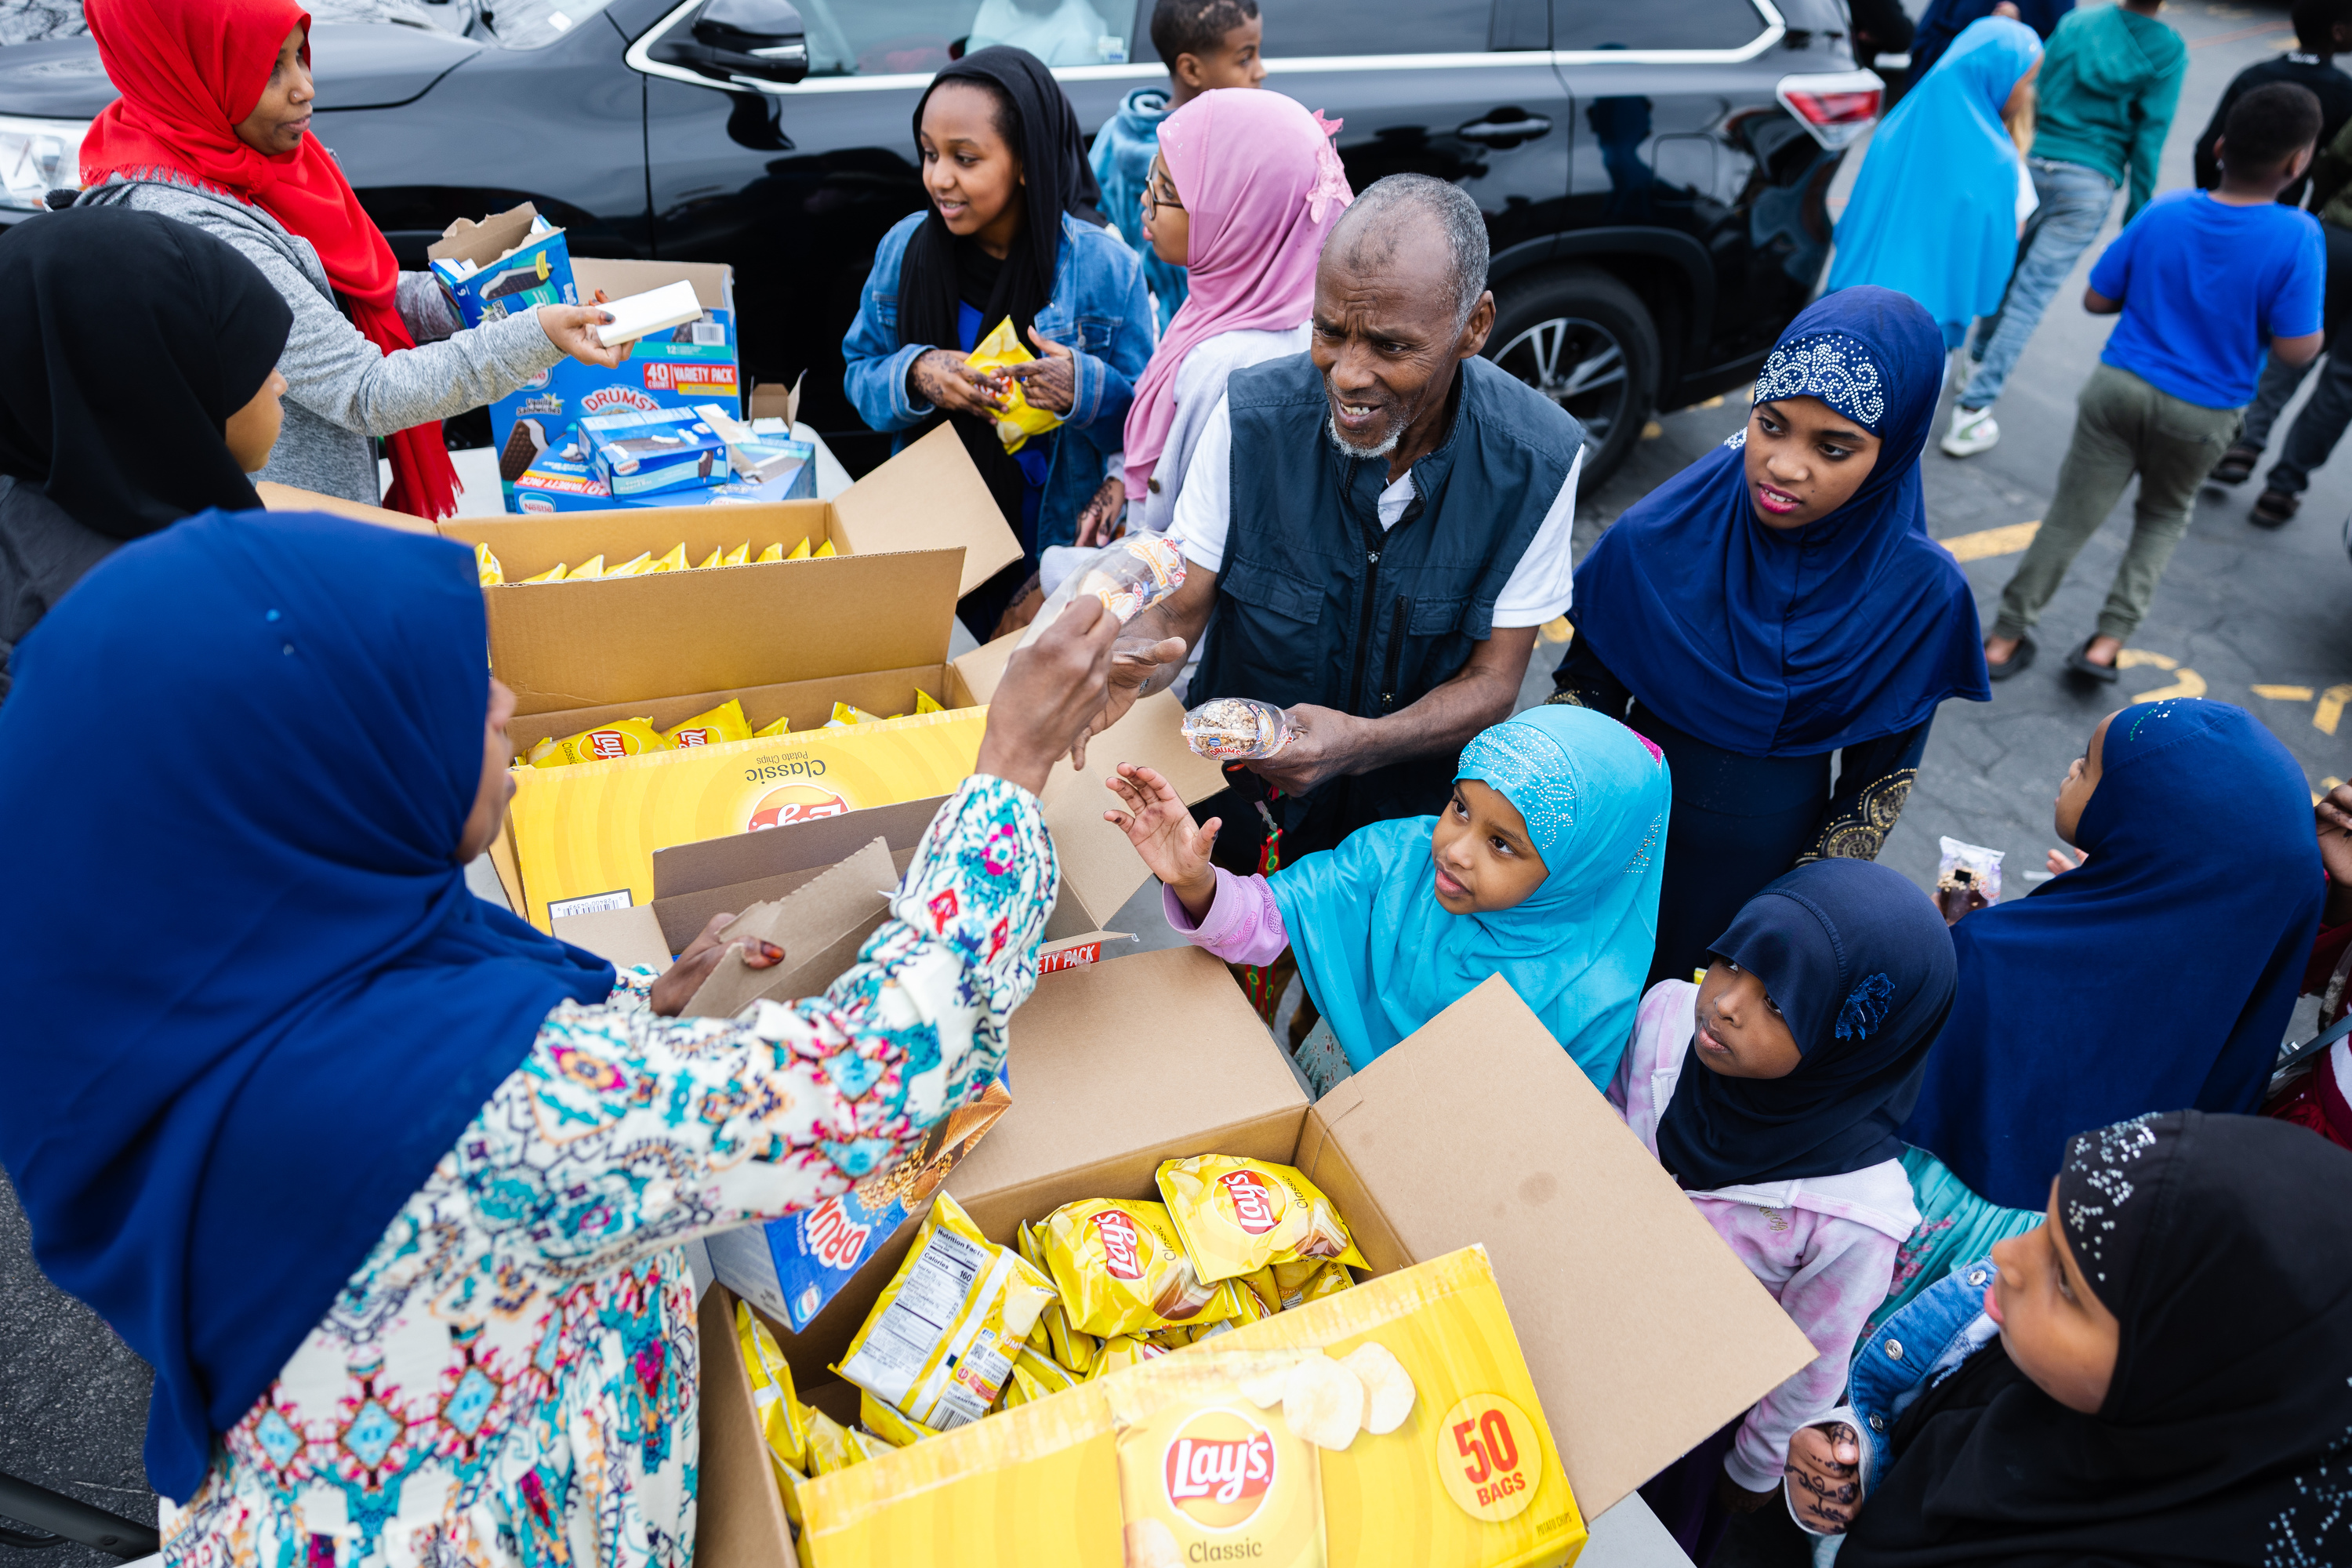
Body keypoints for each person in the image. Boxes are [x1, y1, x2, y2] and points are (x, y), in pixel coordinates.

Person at [0, 503, 1120, 1555]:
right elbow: (882, 1075)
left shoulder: (245, 983)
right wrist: (1008, 773)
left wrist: (642, 1013)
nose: (506, 699)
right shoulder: (474, 1103)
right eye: (446, 683)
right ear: (323, 768)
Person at [1088, 173, 1585, 910]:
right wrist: (1124, 660)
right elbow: (1180, 608)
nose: (1349, 374)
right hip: (1240, 811)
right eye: (1329, 332)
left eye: (1391, 345)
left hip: (1411, 835)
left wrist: (1360, 742)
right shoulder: (1253, 418)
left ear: (1475, 326)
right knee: (1225, 975)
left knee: (1354, 1008)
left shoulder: (1537, 459)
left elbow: (1494, 682)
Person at [1555, 287, 1988, 987]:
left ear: (1895, 450)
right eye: (1772, 425)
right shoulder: (1659, 535)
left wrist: (1791, 927)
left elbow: (1875, 784)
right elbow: (1584, 695)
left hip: (1764, 885)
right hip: (1611, 847)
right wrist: (1555, 834)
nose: (1785, 466)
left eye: (1835, 446)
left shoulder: (1922, 595)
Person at [72, 0, 630, 519]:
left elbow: (367, 297)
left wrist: (480, 291)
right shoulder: (193, 225)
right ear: (189, 73)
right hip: (279, 539)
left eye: (300, 56)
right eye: (271, 70)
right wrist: (539, 333)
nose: (305, 88)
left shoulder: (260, 160)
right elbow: (367, 391)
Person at [1784, 1111, 2352, 1567]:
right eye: (2045, 1226)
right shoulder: (2002, 1357)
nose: (2006, 1256)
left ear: (2187, 1377)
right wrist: (1853, 1468)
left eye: (2069, 1284)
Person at [1614, 858, 1955, 1563]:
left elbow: (1812, 1360)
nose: (1729, 1003)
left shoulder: (1855, 1213)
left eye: (1779, 1004)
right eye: (1735, 962)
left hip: (1681, 1423)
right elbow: (1605, 1133)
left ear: (1850, 1041)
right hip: (1573, 1319)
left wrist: (1754, 1468)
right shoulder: (1668, 1016)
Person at [1899, 699, 2323, 1219]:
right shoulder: (2235, 999)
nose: (2071, 771)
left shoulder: (1986, 952)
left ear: (2140, 820)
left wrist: (1942, 944)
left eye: (2088, 766)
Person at [1107, 704, 1668, 1094]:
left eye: (1501, 844)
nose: (1454, 851)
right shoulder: (1399, 856)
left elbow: (1547, 1135)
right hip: (1327, 1085)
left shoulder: (1595, 997)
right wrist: (1193, 882)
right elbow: (1269, 917)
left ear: (1581, 871)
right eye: (1460, 808)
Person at [1981, 85, 2325, 682]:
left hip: (2119, 385)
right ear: (2297, 164)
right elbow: (2298, 350)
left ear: (2220, 147)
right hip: (2205, 410)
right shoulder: (2298, 236)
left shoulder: (2165, 209)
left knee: (2070, 515)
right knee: (2162, 518)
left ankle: (2003, 639)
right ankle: (2104, 646)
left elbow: (2096, 298)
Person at [841, 46, 1153, 637]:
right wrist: (918, 373)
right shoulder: (904, 251)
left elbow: (1145, 434)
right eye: (929, 154)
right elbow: (859, 374)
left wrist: (1081, 389)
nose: (939, 178)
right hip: (931, 541)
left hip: (1048, 552)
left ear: (1027, 162)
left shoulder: (1107, 270)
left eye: (965, 158)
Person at [0, 205, 291, 697]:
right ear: (160, 387)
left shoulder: (36, 511)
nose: (280, 384)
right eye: (254, 364)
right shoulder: (159, 617)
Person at [1940, 0, 2186, 458]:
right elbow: (2150, 138)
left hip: (2032, 161)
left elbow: (2033, 86)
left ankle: (1975, 362)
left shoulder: (2078, 23)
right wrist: (2134, 223)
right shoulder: (2169, 49)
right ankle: (1973, 410)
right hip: (2091, 179)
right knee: (2030, 296)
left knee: (2002, 271)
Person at [1118, 88, 1352, 545]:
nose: (1145, 202)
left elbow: (1179, 544)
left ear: (1241, 218)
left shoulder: (1227, 364)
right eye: (1153, 177)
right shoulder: (1258, 305)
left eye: (1167, 191)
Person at [1827, 17, 2043, 354]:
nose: (2030, 93)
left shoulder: (1895, 126)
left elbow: (1856, 218)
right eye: (2027, 81)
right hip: (1924, 329)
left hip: (1844, 309)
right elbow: (1996, 254)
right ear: (1999, 77)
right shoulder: (1998, 160)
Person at [1087, 0, 1267, 335]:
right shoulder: (1218, 151)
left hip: (1136, 329)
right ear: (1191, 70)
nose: (1260, 70)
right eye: (1245, 58)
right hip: (1196, 329)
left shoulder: (1116, 131)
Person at [2190, 0, 2352, 208]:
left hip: (2224, 201)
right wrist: (2313, 214)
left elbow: (2205, 150)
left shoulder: (2252, 76)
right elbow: (2336, 167)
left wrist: (2211, 200)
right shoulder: (2344, 93)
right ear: (2338, 32)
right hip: (2284, 208)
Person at [1905, 0, 2070, 86]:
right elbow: (1924, 43)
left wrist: (2018, 38)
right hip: (1949, 100)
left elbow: (2060, 57)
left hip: (2017, 121)